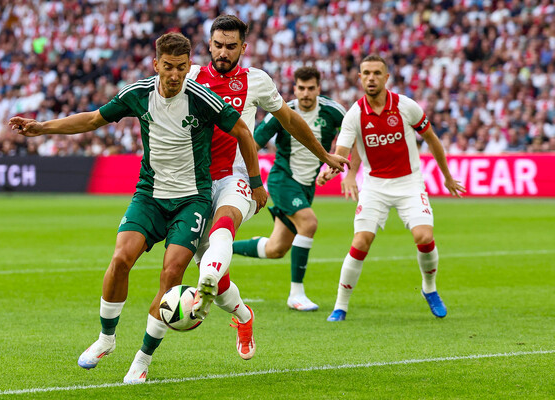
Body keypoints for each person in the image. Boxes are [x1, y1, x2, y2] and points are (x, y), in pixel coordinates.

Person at [8, 33, 267, 383]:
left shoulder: (202, 98)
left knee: (171, 276)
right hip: (149, 195)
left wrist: (255, 182)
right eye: (168, 67)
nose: (174, 74)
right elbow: (92, 119)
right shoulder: (138, 93)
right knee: (119, 260)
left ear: (189, 66)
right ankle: (106, 339)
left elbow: (244, 133)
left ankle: (142, 359)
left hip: (192, 200)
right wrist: (42, 128)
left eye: (181, 67)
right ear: (156, 64)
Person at [186, 15, 349, 359]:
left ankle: (140, 356)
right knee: (212, 266)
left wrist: (324, 155)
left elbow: (289, 120)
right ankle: (243, 315)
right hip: (196, 179)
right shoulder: (190, 77)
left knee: (226, 226)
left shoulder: (257, 81)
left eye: (231, 46)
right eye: (218, 45)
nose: (224, 52)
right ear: (209, 45)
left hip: (237, 176)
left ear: (243, 48)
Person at [317, 55, 466, 322]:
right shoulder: (354, 114)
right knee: (361, 241)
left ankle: (429, 289)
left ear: (386, 78)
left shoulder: (406, 106)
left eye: (377, 73)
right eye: (366, 73)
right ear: (359, 78)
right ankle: (340, 306)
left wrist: (447, 177)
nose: (371, 78)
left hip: (409, 182)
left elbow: (432, 139)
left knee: (424, 236)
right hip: (375, 186)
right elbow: (341, 152)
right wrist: (336, 172)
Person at [232, 66, 346, 311]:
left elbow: (351, 133)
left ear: (318, 88)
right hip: (283, 180)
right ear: (294, 88)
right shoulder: (282, 112)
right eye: (301, 88)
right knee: (309, 223)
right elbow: (253, 143)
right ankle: (296, 294)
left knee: (276, 249)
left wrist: (337, 164)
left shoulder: (334, 111)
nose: (305, 93)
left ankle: (219, 248)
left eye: (311, 88)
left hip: (306, 187)